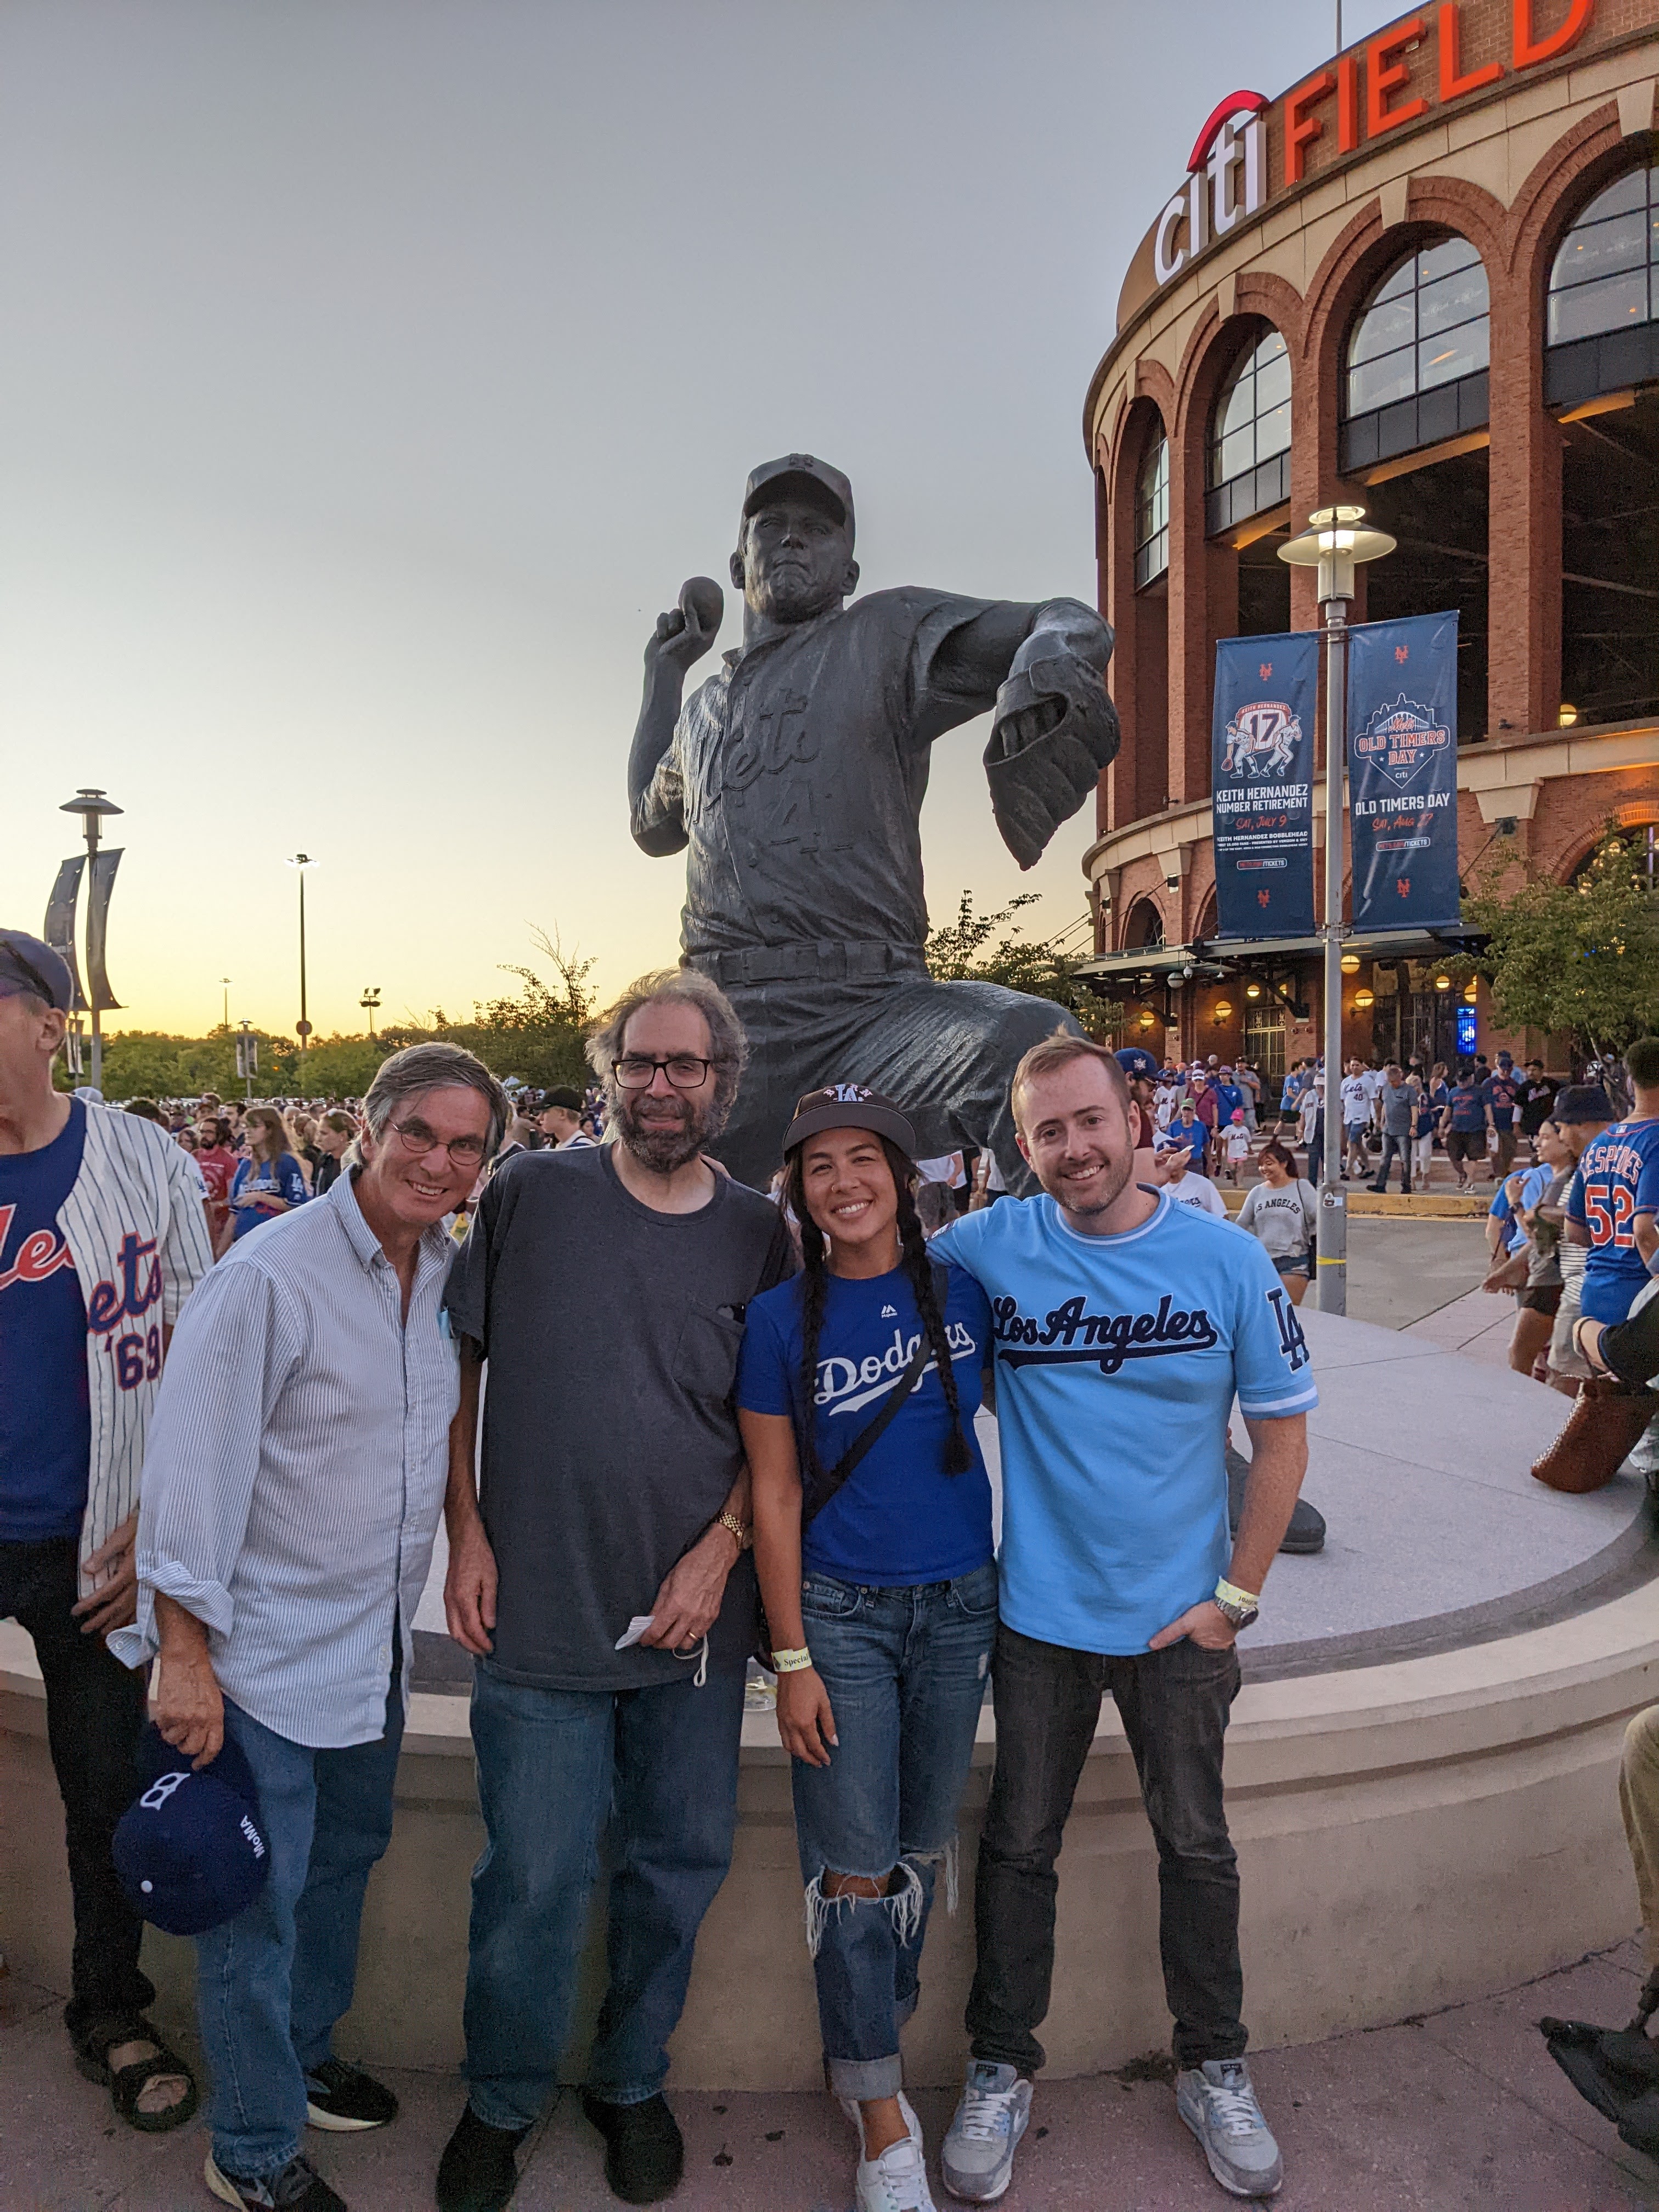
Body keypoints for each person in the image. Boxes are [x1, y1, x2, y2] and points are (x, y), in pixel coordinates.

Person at [112, 1043, 506, 2212]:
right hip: (255, 1663)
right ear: (368, 1133)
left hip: (367, 1645)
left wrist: (466, 1532)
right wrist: (184, 1657)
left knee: (340, 1867)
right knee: (256, 1908)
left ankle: (300, 2050)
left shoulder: (438, 1272)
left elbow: (427, 1431)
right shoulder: (271, 1276)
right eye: (419, 1135)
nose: (439, 1161)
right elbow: (191, 1477)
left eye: (466, 1143)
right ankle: (249, 2148)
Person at [930, 1034, 1316, 2205]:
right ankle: (1001, 2064)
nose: (1074, 1149)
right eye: (1047, 1132)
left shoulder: (1224, 1256)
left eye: (1090, 1122)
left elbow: (1283, 1433)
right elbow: (861, 1268)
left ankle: (1214, 2062)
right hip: (1040, 1619)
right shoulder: (987, 1248)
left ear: (1134, 1119)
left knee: (1197, 1847)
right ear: (1022, 1144)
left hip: (1179, 1625)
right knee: (1016, 1849)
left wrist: (1235, 1598)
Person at [437, 970, 797, 2212]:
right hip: (535, 1612)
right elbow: (458, 1379)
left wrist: (723, 1550)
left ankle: (629, 2082)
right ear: (609, 1076)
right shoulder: (532, 1195)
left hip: (695, 1630)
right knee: (531, 1880)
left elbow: (776, 1434)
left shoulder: (760, 1233)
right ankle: (502, 2096)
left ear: (721, 1083)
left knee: (672, 1866)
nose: (660, 1086)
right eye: (640, 1063)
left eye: (685, 1066)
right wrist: (465, 1531)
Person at [628, 453, 1118, 1193]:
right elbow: (650, 825)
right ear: (738, 562)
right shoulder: (702, 712)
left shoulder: (885, 634)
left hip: (874, 1014)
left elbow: (1070, 618)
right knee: (615, 1195)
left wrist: (1047, 654)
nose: (793, 540)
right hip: (722, 1026)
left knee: (1032, 1043)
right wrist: (664, 675)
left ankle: (1049, 1288)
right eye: (773, 526)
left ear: (849, 573)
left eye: (818, 529)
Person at [738, 1086, 995, 2212]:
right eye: (819, 1167)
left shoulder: (972, 1296)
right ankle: (881, 2111)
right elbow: (776, 1494)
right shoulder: (775, 1323)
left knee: (920, 1844)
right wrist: (790, 1657)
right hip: (839, 1615)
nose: (844, 1182)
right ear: (796, 1189)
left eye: (864, 1161)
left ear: (902, 1175)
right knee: (851, 1865)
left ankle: (867, 2039)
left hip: (959, 1609)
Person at [0, 930, 213, 2141]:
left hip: (102, 1539)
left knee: (103, 1793)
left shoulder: (140, 1158)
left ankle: (108, 2010)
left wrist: (161, 1508)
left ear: (47, 1025)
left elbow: (204, 1339)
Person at [1566, 1037, 1659, 1334]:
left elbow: (1574, 1230)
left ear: (1631, 1083)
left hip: (1595, 1293)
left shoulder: (1598, 1144)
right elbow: (1645, 1231)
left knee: (1603, 1379)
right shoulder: (1656, 1141)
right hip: (1640, 1302)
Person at [1544, 1086, 1618, 1395]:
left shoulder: (1592, 1162)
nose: (1560, 1137)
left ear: (1584, 1124)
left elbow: (1576, 1231)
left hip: (1586, 1288)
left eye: (1562, 1128)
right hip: (1624, 1287)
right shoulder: (1630, 1151)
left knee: (1564, 1382)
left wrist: (1543, 1214)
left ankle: (1563, 1443)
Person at [1501, 1120, 1575, 1377]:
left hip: (1552, 1275)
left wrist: (1516, 1203)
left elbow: (1536, 1233)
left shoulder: (1561, 1179)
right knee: (1542, 1355)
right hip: (1545, 1271)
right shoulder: (1555, 1179)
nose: (1537, 1143)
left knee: (1530, 1355)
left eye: (1545, 1137)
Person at [1236, 1140, 1317, 1306]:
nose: (1264, 1169)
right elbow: (1241, 1225)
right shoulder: (1257, 1192)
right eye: (1261, 1165)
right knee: (1265, 1315)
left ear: (1284, 1164)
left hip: (1293, 1261)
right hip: (1262, 1262)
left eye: (1269, 1163)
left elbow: (1321, 1220)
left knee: (1287, 1313)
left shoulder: (1302, 1187)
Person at [221, 1105, 308, 1254]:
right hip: (243, 1244)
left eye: (255, 1126)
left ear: (270, 1130)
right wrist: (220, 1252)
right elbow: (234, 1213)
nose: (248, 1131)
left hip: (275, 1246)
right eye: (246, 1126)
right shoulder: (245, 1165)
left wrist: (261, 1197)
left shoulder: (287, 1163)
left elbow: (297, 1205)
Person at [1370, 1062, 1420, 1194]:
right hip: (1388, 1129)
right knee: (1385, 1157)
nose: (1393, 1084)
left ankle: (1406, 1185)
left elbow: (1414, 1109)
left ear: (1400, 1078)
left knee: (1405, 1158)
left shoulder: (1409, 1091)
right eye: (1391, 1081)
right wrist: (1382, 1121)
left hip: (1403, 1130)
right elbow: (1386, 1105)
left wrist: (1414, 1125)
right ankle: (1381, 1184)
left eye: (1395, 1081)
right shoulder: (1386, 1088)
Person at [1438, 1064, 1488, 1191]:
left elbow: (1487, 1108)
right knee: (1454, 1156)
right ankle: (1462, 1174)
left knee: (1473, 1157)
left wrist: (1491, 1124)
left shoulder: (1479, 1091)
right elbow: (1448, 1110)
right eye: (1459, 1080)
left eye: (1464, 1080)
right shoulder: (1453, 1092)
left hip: (1476, 1129)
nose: (1462, 1083)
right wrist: (1442, 1126)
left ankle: (1471, 1181)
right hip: (1457, 1129)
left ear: (1471, 1078)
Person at [1161, 1142, 1229, 1218]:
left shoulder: (1203, 1184)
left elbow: (1222, 1216)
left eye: (1174, 1159)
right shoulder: (1157, 1189)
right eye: (1165, 1160)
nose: (1171, 1164)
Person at [1481, 1055, 1522, 1178]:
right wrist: (1489, 1122)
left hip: (1508, 1122)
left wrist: (1517, 1124)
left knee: (1509, 1150)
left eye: (1508, 1069)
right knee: (1495, 1150)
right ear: (1497, 1068)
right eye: (1502, 1069)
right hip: (1494, 1121)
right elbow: (1485, 1103)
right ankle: (1499, 1174)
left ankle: (1503, 1171)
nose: (1505, 1072)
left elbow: (1518, 1106)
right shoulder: (1489, 1084)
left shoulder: (1515, 1085)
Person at [1518, 1059, 1559, 1162]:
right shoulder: (1525, 1087)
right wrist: (1516, 1123)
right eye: (1529, 1070)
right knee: (1536, 1151)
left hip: (1549, 1124)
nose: (1531, 1072)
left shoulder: (1552, 1084)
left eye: (1534, 1070)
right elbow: (1518, 1106)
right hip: (1532, 1125)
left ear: (1541, 1071)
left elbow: (1559, 1102)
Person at [1412, 1065, 1446, 1189]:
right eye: (1413, 1085)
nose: (1416, 1087)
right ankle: (1412, 1180)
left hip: (1426, 1129)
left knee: (1425, 1155)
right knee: (1411, 1156)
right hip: (1411, 1130)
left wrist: (1437, 1126)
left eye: (1417, 1084)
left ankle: (1425, 1177)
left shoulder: (1426, 1098)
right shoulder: (1406, 1098)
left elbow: (1435, 1111)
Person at [1339, 1058, 1372, 1182]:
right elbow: (1343, 1100)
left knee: (1351, 1143)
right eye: (1353, 1065)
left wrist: (1376, 1119)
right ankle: (1368, 1168)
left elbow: (1374, 1100)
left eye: (1357, 1065)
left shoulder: (1367, 1081)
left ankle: (1347, 1171)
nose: (1355, 1067)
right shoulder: (1346, 1082)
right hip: (1349, 1117)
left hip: (1361, 1117)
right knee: (1357, 1144)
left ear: (1362, 1066)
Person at [534, 1084, 595, 1149]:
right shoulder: (567, 1146)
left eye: (545, 1112)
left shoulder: (581, 1150)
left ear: (562, 1114)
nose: (539, 1118)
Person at [312, 1110, 356, 1196]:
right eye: (318, 1133)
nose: (319, 1139)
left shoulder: (356, 1166)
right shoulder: (324, 1161)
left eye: (324, 1133)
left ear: (343, 1136)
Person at [1220, 1108, 1251, 1188]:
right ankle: (1235, 1179)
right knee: (1233, 1169)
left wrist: (1249, 1148)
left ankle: (1240, 1182)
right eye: (1235, 1120)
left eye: (1238, 1120)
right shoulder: (1229, 1128)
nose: (1236, 1122)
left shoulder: (1245, 1130)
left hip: (1242, 1151)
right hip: (1232, 1152)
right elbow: (1222, 1137)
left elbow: (1248, 1140)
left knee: (1240, 1166)